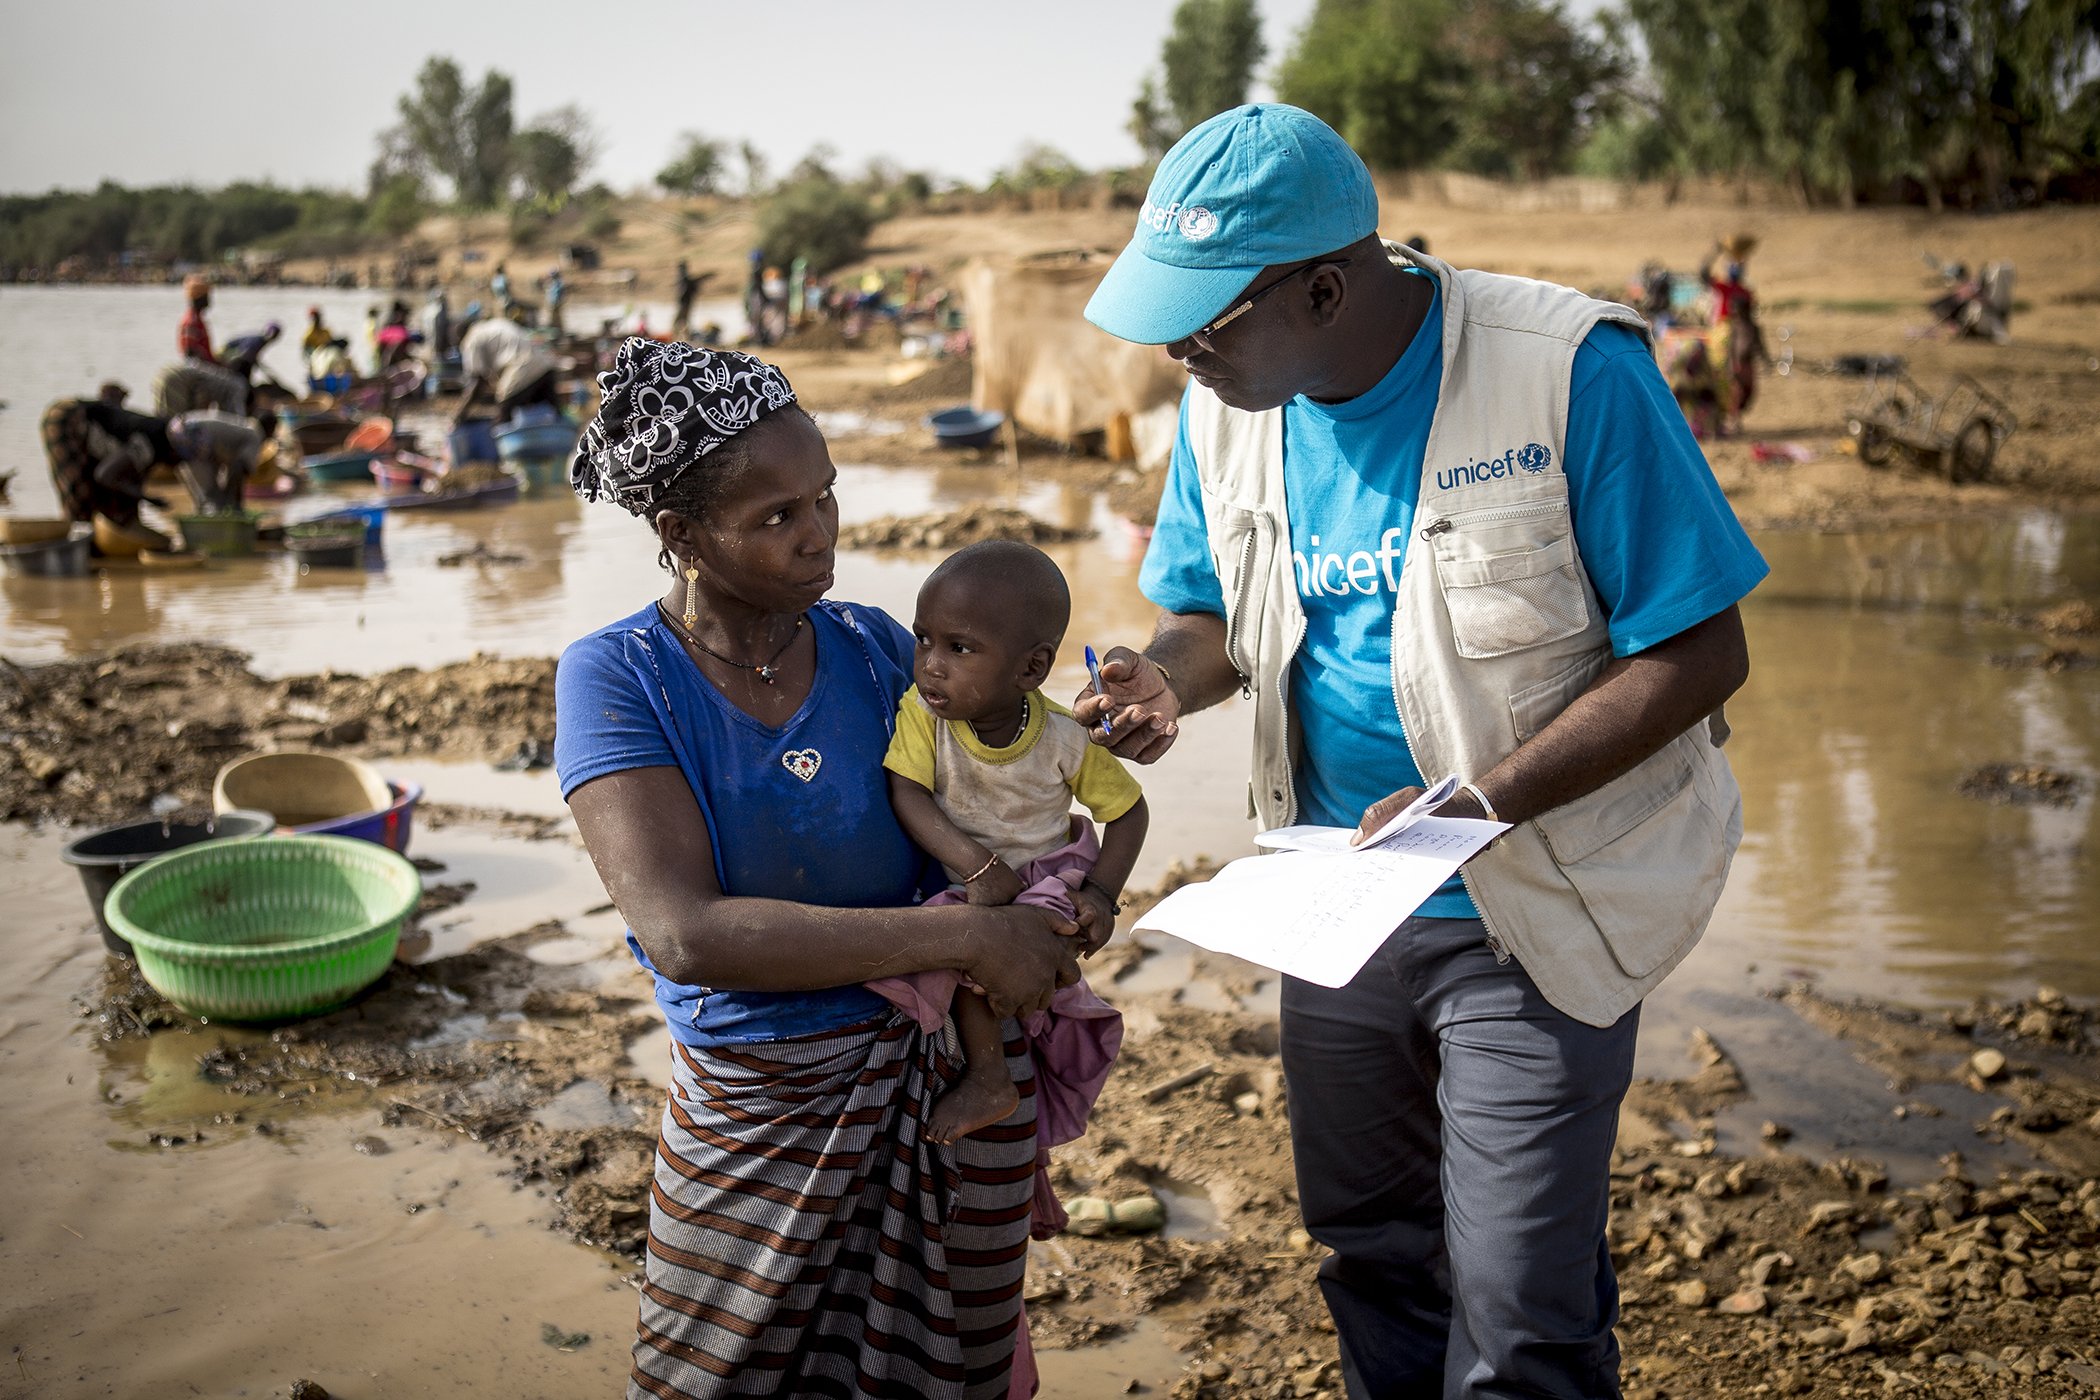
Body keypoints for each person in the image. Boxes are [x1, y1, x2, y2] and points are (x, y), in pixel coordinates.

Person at [1075, 104, 1768, 1400]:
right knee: (1374, 1252)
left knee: (1517, 1313)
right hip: (1336, 898)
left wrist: (1474, 807)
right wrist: (1161, 686)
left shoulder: (1565, 372)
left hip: (1533, 904)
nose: (1178, 354)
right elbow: (1212, 616)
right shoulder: (1231, 404)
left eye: (1203, 324)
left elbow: (1698, 652)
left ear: (1328, 289)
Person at [555, 338, 1081, 1398]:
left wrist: (1098, 732)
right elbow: (686, 932)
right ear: (681, 534)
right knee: (714, 1367)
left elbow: (1012, 757)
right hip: (758, 1103)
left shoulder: (879, 648)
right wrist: (967, 935)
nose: (820, 534)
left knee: (945, 1366)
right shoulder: (617, 676)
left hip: (936, 1077)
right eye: (777, 516)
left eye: (827, 497)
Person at [866, 540, 1143, 1151]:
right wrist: (978, 865)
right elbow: (906, 792)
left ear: (1031, 669)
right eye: (923, 640)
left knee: (991, 956)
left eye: (959, 649)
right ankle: (993, 1071)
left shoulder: (1065, 739)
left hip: (1048, 876)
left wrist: (1101, 894)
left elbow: (1128, 813)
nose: (931, 665)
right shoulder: (924, 715)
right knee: (962, 942)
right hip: (980, 877)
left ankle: (992, 1079)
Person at [40, 393, 173, 529]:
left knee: (96, 488)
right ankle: (78, 538)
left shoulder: (158, 436)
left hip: (85, 426)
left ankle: (93, 535)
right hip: (66, 419)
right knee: (79, 491)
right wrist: (147, 498)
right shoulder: (146, 444)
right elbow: (104, 475)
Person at [451, 315, 560, 427]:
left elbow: (477, 381)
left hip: (522, 367)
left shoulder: (471, 339)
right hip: (543, 364)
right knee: (556, 417)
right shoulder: (495, 323)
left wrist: (461, 414)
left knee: (503, 414)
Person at [167, 407, 272, 514]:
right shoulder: (255, 435)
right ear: (270, 430)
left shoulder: (245, 425)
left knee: (207, 498)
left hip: (180, 426)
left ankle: (202, 520)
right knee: (215, 500)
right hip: (197, 435)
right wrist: (235, 504)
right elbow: (240, 467)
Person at [151, 359, 248, 419]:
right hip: (176, 380)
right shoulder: (238, 387)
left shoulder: (223, 378)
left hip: (164, 373)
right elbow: (237, 421)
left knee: (163, 421)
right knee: (174, 425)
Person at [177, 275, 215, 362]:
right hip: (203, 370)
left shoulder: (197, 319)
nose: (209, 301)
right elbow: (190, 354)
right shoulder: (191, 322)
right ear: (200, 299)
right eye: (207, 297)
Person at [670, 259, 701, 340]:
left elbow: (684, 290)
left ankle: (678, 337)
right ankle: (683, 337)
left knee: (679, 322)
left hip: (684, 303)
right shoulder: (684, 277)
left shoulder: (684, 277)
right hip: (685, 303)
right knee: (683, 321)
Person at [544, 267, 566, 337]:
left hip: (556, 303)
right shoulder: (552, 283)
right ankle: (555, 330)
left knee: (556, 318)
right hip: (552, 303)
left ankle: (558, 331)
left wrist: (559, 302)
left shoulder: (559, 282)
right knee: (552, 317)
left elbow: (561, 293)